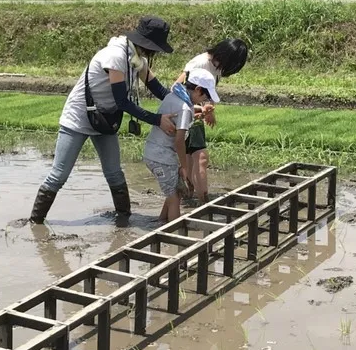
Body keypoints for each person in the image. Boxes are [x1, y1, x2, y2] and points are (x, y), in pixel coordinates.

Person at [29, 16, 177, 224]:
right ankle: (35, 222)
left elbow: (159, 89)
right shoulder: (116, 56)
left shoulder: (136, 59)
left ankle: (124, 219)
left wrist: (184, 104)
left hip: (104, 119)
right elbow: (123, 102)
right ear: (144, 43)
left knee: (114, 172)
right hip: (79, 118)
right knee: (59, 174)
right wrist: (157, 119)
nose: (154, 52)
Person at [176, 38, 248, 204]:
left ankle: (189, 196)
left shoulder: (214, 66)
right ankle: (204, 202)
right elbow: (179, 87)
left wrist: (208, 108)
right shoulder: (201, 64)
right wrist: (196, 109)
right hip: (188, 113)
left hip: (193, 113)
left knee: (190, 157)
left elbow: (205, 91)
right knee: (201, 157)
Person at [143, 69, 220, 222]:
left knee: (175, 191)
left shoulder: (173, 96)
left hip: (154, 152)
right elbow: (179, 141)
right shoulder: (184, 108)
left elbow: (180, 118)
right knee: (174, 198)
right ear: (198, 90)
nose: (205, 100)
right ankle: (174, 236)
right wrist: (184, 167)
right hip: (161, 158)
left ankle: (161, 221)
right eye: (206, 96)